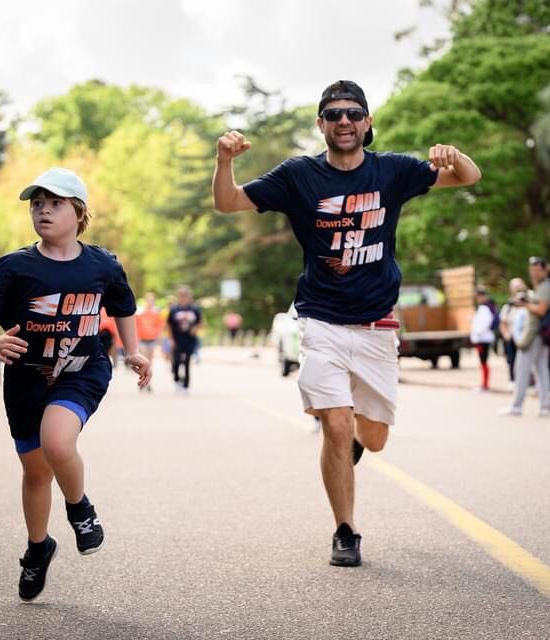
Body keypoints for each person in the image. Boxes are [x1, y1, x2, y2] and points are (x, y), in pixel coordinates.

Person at [212, 80, 481, 566]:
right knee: (335, 424)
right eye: (333, 115)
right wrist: (225, 161)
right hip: (322, 322)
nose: (344, 122)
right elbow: (227, 203)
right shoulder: (298, 176)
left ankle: (357, 441)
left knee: (372, 437)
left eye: (353, 114)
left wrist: (453, 155)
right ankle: (345, 531)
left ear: (367, 122)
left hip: (377, 326)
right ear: (321, 125)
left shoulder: (393, 171)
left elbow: (467, 177)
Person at [0, 167, 151, 601]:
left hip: (81, 369)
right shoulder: (13, 268)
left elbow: (123, 305)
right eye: (37, 204)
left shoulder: (102, 264)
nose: (43, 210)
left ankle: (80, 508)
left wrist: (133, 350)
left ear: (78, 212)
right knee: (35, 470)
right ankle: (38, 548)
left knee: (57, 443)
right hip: (27, 378)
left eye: (55, 203)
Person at [500, 257, 550, 417]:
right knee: (541, 370)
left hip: (534, 334)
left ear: (544, 270)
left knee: (522, 369)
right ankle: (544, 406)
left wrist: (524, 305)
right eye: (532, 270)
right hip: (538, 334)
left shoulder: (544, 287)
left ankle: (517, 405)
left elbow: (541, 310)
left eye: (537, 270)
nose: (534, 274)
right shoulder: (540, 288)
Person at [167, 285, 203, 394]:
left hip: (190, 340)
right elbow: (169, 325)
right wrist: (171, 339)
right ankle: (177, 379)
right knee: (177, 361)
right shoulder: (174, 309)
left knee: (187, 361)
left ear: (189, 296)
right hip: (177, 339)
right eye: (181, 295)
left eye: (186, 295)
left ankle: (186, 385)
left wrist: (195, 328)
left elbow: (201, 322)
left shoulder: (194, 309)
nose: (184, 297)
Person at [498, 278, 527, 389]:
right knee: (512, 359)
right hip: (512, 336)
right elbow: (503, 322)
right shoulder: (508, 306)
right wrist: (506, 334)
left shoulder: (528, 302)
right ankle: (513, 380)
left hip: (525, 336)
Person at [136, 292, 165, 390]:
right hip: (142, 339)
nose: (150, 302)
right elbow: (136, 325)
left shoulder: (156, 313)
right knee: (143, 361)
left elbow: (160, 326)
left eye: (152, 300)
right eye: (148, 300)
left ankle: (148, 382)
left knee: (150, 362)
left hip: (152, 340)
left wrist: (158, 338)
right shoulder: (140, 312)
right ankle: (142, 380)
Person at [470, 286, 495, 392]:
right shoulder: (484, 307)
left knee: (483, 362)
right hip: (481, 338)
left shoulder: (485, 308)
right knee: (483, 362)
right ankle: (484, 383)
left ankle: (485, 384)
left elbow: (484, 323)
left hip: (482, 338)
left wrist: (477, 333)